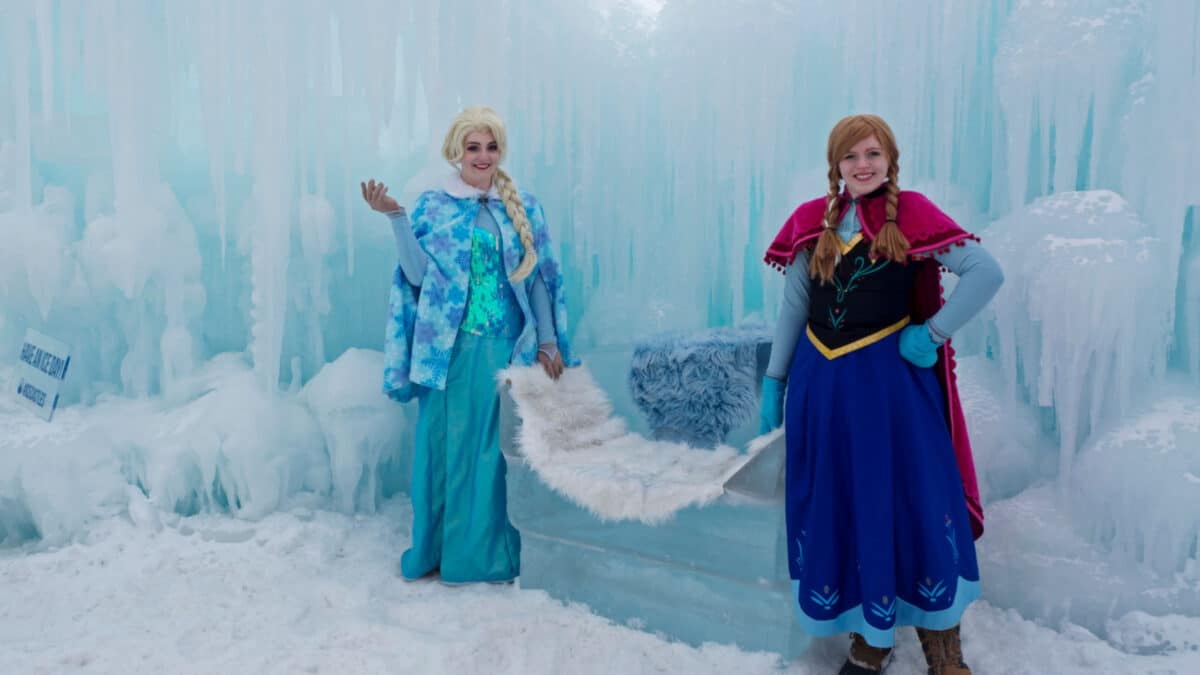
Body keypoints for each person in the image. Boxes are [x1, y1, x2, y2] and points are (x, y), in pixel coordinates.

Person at [759, 114, 1004, 675]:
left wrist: (933, 333)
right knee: (843, 504)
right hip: (821, 390)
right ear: (835, 165)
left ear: (891, 160)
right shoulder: (810, 221)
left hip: (890, 394)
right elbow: (794, 305)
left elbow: (985, 272)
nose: (862, 165)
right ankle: (872, 639)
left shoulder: (912, 212)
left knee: (914, 501)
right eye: (850, 157)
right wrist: (775, 380)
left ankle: (945, 651)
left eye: (872, 154)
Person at [364, 105, 575, 585]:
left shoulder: (523, 205)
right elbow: (417, 276)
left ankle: (479, 558)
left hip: (507, 349)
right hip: (451, 349)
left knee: (491, 452)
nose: (482, 156)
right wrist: (397, 216)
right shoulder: (434, 207)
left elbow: (540, 279)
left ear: (501, 151)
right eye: (473, 147)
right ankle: (434, 552)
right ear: (456, 152)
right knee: (441, 447)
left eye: (491, 146)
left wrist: (547, 341)